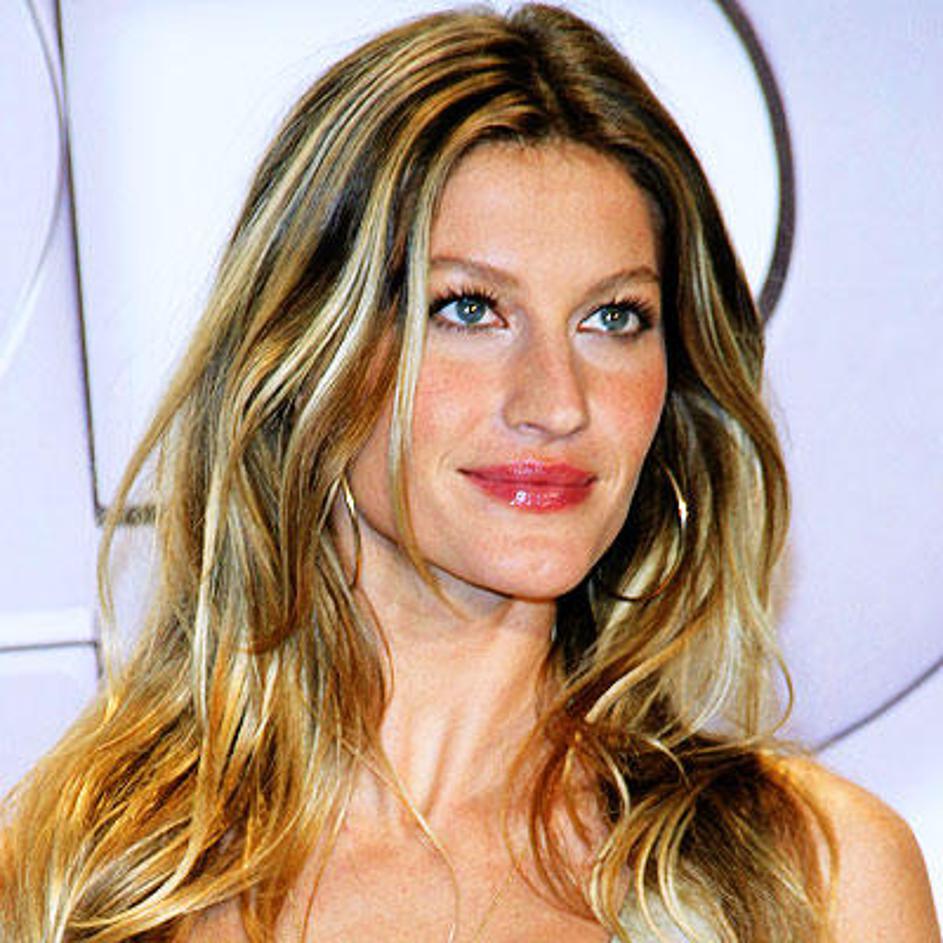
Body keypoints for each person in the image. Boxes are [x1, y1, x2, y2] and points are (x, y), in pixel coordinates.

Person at [1, 4, 938, 941]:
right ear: (308, 349)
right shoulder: (89, 879)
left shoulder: (814, 879)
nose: (556, 402)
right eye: (469, 309)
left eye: (613, 318)